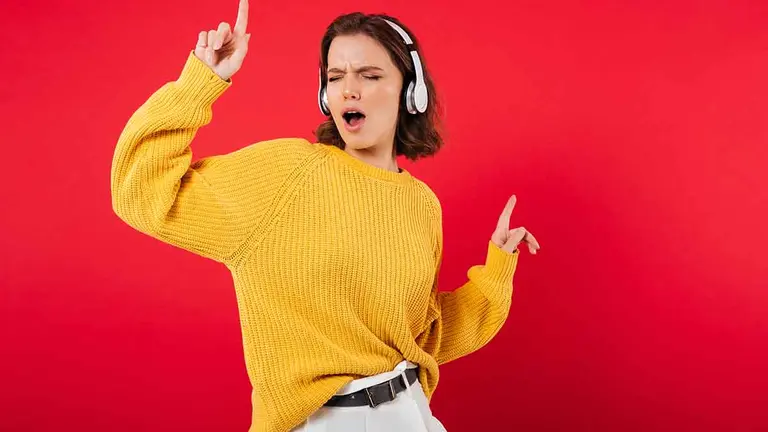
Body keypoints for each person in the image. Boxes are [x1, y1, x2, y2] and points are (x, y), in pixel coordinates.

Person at [109, 1, 540, 431]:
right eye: (336, 78)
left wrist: (497, 268)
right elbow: (140, 189)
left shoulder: (421, 203)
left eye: (369, 76)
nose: (349, 89)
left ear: (412, 92)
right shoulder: (287, 174)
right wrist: (202, 81)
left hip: (412, 415)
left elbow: (424, 335)